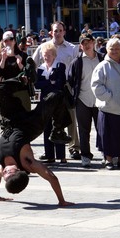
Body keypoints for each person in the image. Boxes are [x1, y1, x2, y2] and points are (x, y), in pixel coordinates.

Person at [0, 86, 74, 206]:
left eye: (4, 175)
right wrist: (61, 201)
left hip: (11, 121)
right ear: (18, 171)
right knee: (56, 96)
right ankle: (58, 131)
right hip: (31, 125)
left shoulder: (3, 168)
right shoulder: (28, 164)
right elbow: (52, 177)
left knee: (0, 91)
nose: (3, 171)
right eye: (7, 172)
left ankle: (24, 80)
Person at [32, 20, 81, 161]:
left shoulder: (72, 48)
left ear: (64, 32)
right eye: (55, 31)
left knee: (69, 118)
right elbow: (33, 64)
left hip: (66, 86)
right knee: (48, 122)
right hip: (47, 90)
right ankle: (50, 152)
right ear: (50, 33)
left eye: (60, 30)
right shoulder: (43, 47)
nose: (58, 33)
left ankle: (74, 148)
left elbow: (78, 67)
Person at [91, 38, 120, 170]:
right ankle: (108, 159)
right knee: (107, 136)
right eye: (111, 49)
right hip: (108, 108)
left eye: (117, 48)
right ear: (107, 50)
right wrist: (109, 97)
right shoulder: (102, 66)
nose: (114, 51)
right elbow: (96, 86)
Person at [68, 33, 104, 167]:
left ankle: (106, 154)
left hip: (100, 100)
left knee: (102, 129)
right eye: (83, 43)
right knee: (84, 130)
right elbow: (70, 81)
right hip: (82, 100)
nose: (86, 45)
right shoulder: (77, 61)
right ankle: (85, 156)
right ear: (80, 45)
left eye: (88, 42)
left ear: (93, 42)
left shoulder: (102, 58)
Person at [35, 43, 71, 163]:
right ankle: (50, 155)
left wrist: (47, 83)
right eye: (45, 55)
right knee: (46, 127)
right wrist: (49, 82)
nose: (47, 57)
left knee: (58, 127)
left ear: (54, 55)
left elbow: (60, 82)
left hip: (58, 101)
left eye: (49, 55)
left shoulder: (60, 66)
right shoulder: (40, 69)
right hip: (45, 102)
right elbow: (37, 84)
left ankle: (61, 156)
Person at [0, 30, 31, 112]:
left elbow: (29, 74)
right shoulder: (0, 56)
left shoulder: (22, 55)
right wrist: (3, 59)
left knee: (24, 118)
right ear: (3, 43)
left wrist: (20, 65)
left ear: (14, 41)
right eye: (5, 40)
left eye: (10, 39)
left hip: (20, 90)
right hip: (6, 91)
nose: (8, 42)